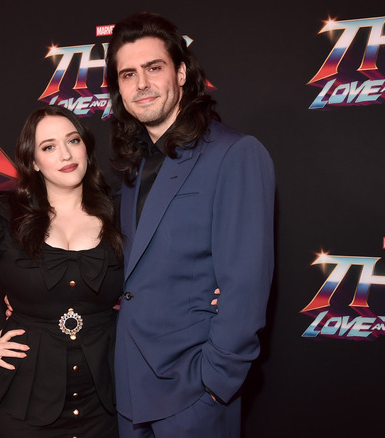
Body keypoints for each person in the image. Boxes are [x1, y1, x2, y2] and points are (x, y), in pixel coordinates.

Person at [105, 12, 275, 437]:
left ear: (181, 73)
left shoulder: (234, 153)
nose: (141, 83)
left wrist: (215, 382)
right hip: (128, 388)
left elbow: (246, 283)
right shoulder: (134, 165)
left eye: (154, 67)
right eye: (128, 74)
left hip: (192, 392)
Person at [0, 105, 123, 437]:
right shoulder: (3, 217)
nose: (66, 154)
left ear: (86, 147)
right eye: (49, 147)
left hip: (106, 393)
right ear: (33, 162)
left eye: (73, 140)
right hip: (25, 397)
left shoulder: (122, 212)